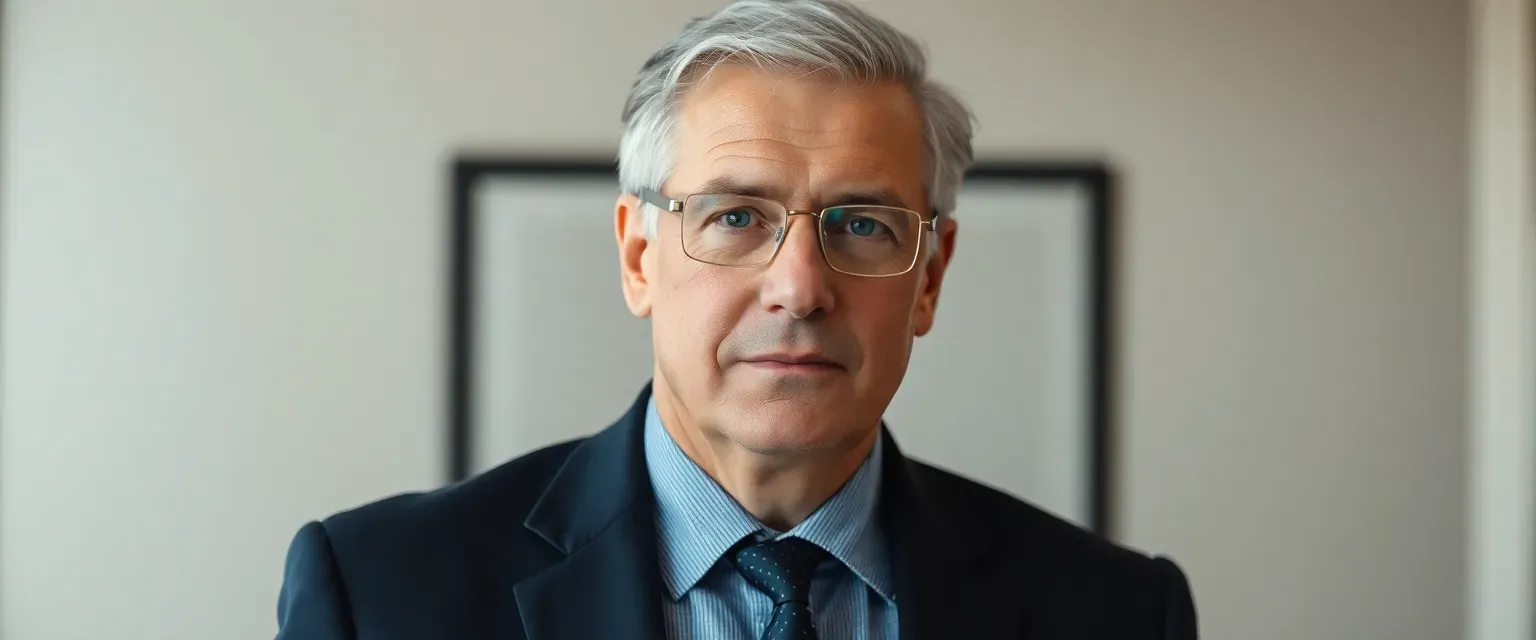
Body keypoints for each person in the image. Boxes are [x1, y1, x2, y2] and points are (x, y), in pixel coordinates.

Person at [274, 0, 1198, 638]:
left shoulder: (1116, 614)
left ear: (929, 278)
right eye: (735, 218)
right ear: (640, 256)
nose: (799, 288)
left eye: (864, 225)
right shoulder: (380, 594)